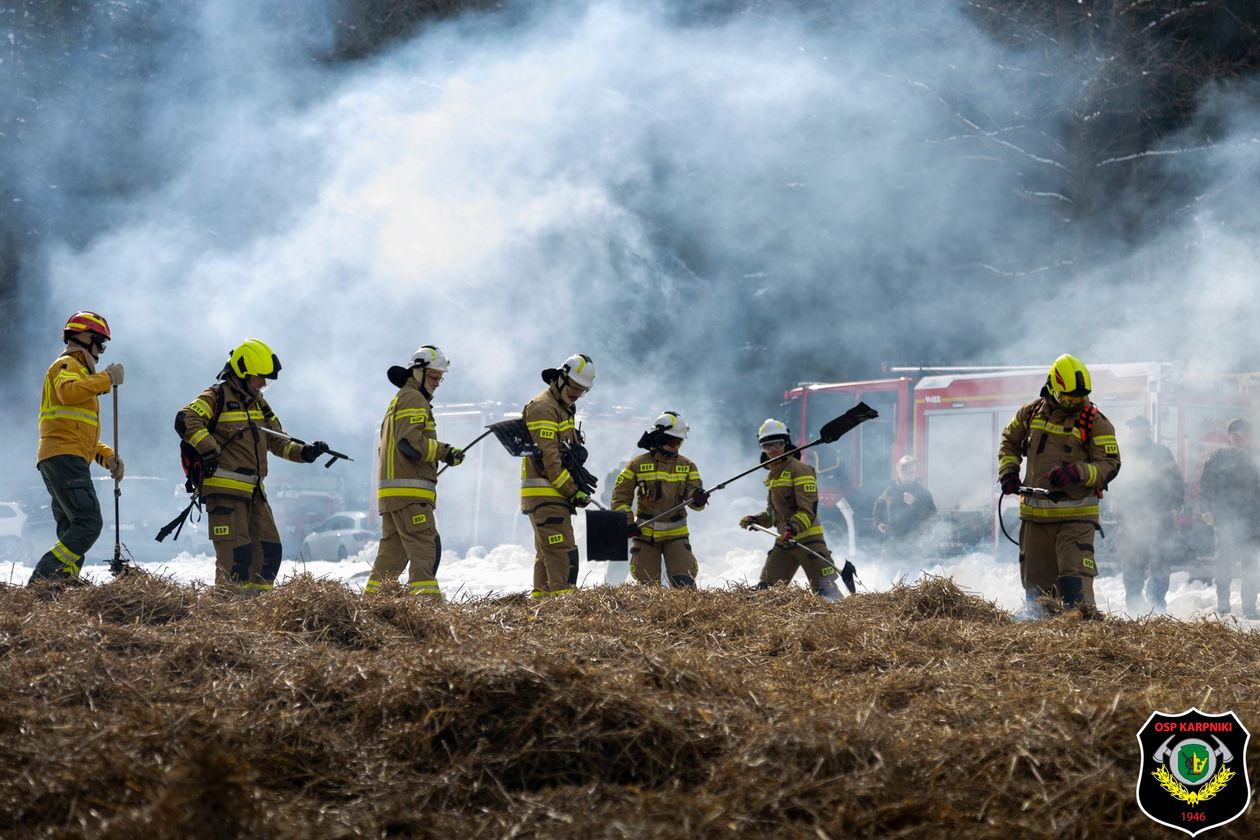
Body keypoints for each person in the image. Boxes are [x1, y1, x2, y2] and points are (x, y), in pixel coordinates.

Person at [175, 339, 330, 591]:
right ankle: (227, 616)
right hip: (224, 493)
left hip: (255, 493)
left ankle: (256, 615)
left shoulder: (260, 404)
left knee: (268, 553)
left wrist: (305, 452)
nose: (262, 385)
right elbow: (185, 419)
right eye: (259, 378)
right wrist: (209, 449)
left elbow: (279, 441)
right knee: (237, 559)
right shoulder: (216, 396)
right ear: (242, 371)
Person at [997, 354, 1121, 617]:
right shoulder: (1030, 413)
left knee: (1074, 586)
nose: (1074, 403)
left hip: (1076, 519)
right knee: (1037, 595)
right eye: (1068, 398)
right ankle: (1043, 649)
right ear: (1052, 387)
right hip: (1034, 519)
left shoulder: (1095, 422)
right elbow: (1009, 441)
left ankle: (1084, 643)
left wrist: (1076, 472)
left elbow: (1110, 465)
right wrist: (1009, 472)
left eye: (1079, 398)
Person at [29, 311, 125, 583]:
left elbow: (78, 433)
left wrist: (107, 457)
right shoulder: (67, 365)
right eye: (101, 343)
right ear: (86, 338)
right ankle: (43, 577)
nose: (101, 351)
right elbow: (68, 393)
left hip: (61, 456)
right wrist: (107, 379)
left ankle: (60, 585)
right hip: (64, 458)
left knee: (71, 527)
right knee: (89, 523)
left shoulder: (81, 374)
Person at [365, 346, 462, 597]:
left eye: (440, 379)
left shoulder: (399, 400)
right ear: (417, 372)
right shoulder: (414, 399)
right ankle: (428, 614)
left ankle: (369, 610)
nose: (437, 383)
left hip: (394, 496)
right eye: (433, 377)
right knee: (424, 554)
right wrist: (445, 452)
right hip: (409, 496)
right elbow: (410, 443)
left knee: (389, 561)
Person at [740, 419, 843, 601]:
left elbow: (808, 510)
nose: (772, 451)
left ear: (786, 443)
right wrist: (756, 520)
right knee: (765, 592)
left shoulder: (801, 470)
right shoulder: (774, 475)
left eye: (777, 444)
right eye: (767, 446)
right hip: (785, 543)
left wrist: (792, 529)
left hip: (808, 542)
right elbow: (774, 514)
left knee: (827, 594)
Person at [521, 353, 596, 598]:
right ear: (561, 378)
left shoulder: (563, 409)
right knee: (563, 554)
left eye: (582, 390)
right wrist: (573, 491)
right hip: (546, 494)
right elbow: (548, 459)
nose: (576, 393)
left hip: (552, 496)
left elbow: (563, 455)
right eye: (574, 386)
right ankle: (562, 611)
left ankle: (542, 611)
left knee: (547, 556)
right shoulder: (544, 408)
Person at [611, 411, 708, 588]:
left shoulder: (688, 465)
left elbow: (694, 500)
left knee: (684, 582)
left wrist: (698, 499)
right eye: (671, 441)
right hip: (645, 534)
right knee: (648, 586)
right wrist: (626, 522)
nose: (675, 446)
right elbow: (620, 497)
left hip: (676, 535)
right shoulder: (636, 464)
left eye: (679, 442)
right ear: (658, 438)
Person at [1111, 416, 1183, 614]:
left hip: (1160, 517)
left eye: (1140, 429)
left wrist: (1176, 504)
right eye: (1133, 429)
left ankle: (1157, 601)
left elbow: (1176, 480)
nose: (1136, 433)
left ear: (1147, 431)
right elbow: (1111, 483)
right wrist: (1115, 508)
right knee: (1132, 562)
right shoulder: (1121, 453)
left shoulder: (1162, 453)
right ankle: (1134, 604)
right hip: (1130, 518)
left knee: (1161, 560)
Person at [1197, 418, 1260, 618]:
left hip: (1252, 522)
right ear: (1229, 437)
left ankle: (1249, 608)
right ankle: (1223, 606)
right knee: (1224, 565)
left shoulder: (1255, 459)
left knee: (1251, 565)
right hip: (1225, 520)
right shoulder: (1217, 458)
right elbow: (1205, 487)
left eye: (1243, 434)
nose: (1239, 438)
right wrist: (1206, 510)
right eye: (1234, 434)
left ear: (1249, 437)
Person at [872, 454, 936, 553]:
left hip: (915, 544)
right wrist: (879, 523)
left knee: (914, 568)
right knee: (885, 568)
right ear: (898, 471)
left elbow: (932, 516)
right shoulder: (890, 491)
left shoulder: (924, 493)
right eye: (905, 472)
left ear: (916, 472)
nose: (909, 475)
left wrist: (914, 503)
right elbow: (878, 506)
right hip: (892, 543)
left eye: (912, 472)